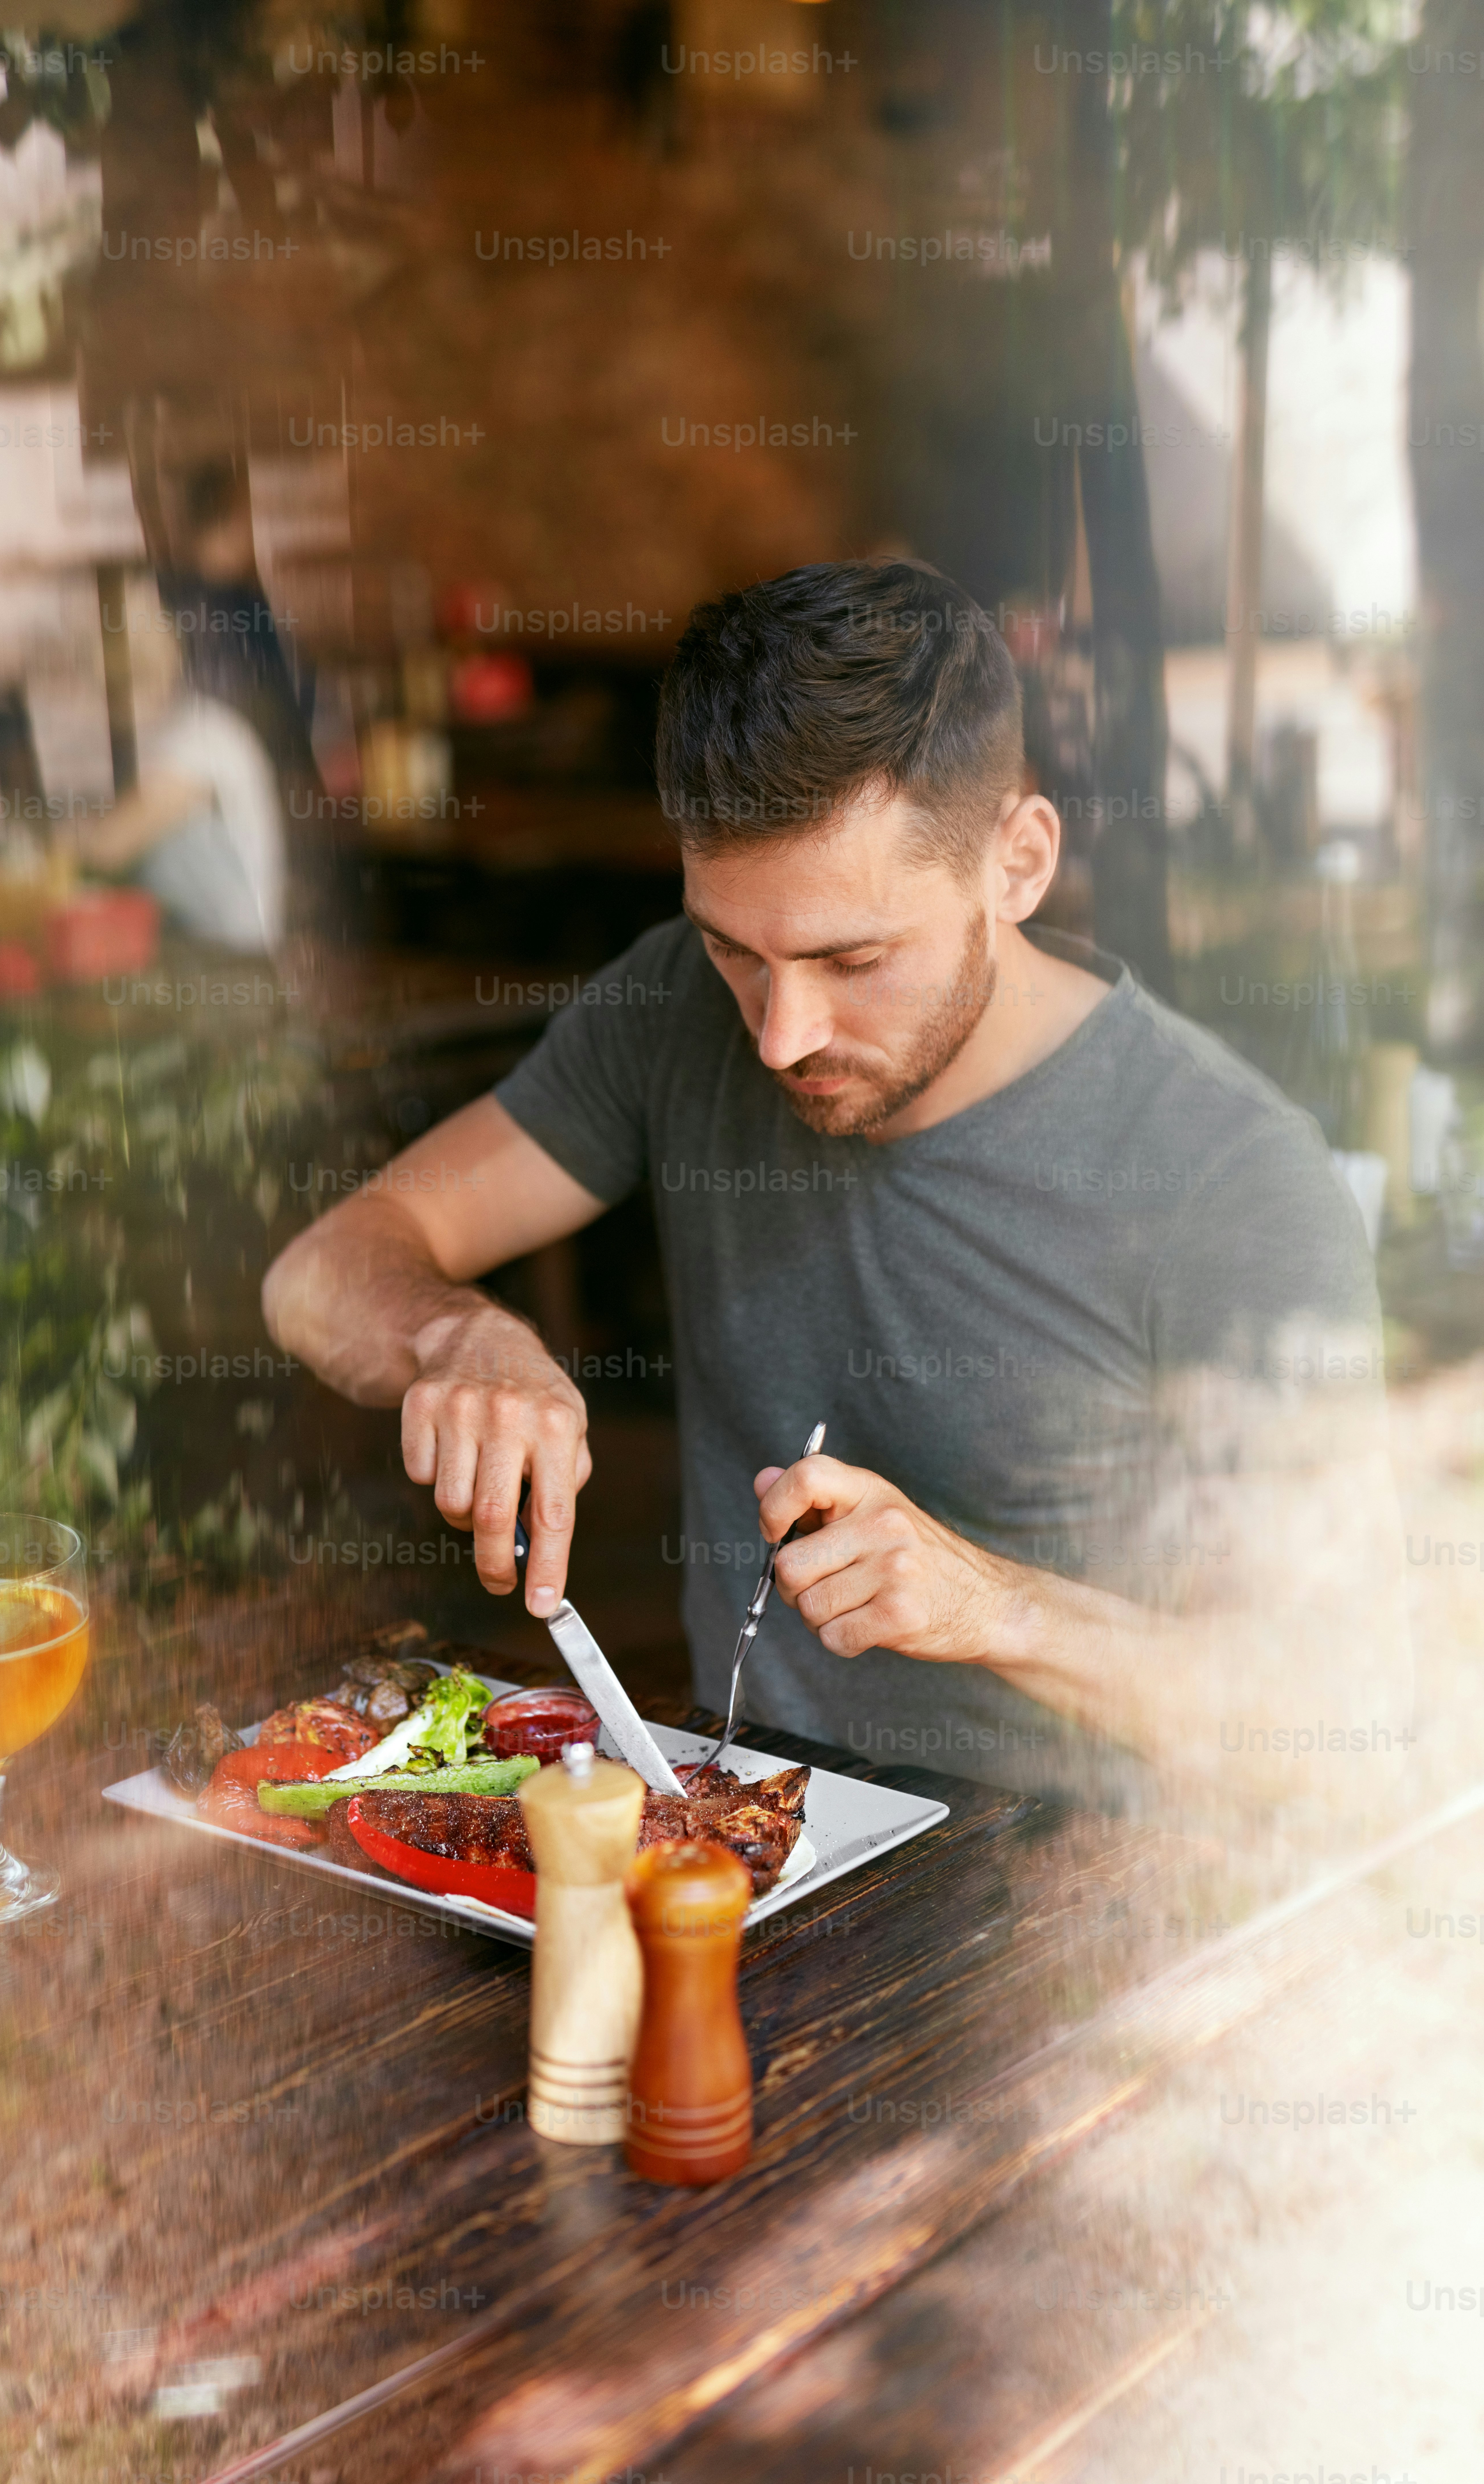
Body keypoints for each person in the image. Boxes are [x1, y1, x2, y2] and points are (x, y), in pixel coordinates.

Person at [262, 559, 1408, 1825]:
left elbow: (1337, 1705)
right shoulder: (674, 1011)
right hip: (740, 1840)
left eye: (851, 959)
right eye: (734, 948)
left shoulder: (1230, 1177)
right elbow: (316, 1275)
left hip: (1069, 1919)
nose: (779, 1034)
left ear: (1017, 863)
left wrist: (994, 1606)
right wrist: (458, 1332)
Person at [65, 610, 286, 954]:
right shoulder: (168, 736)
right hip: (195, 947)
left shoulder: (201, 736)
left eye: (106, 689)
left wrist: (34, 856)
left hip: (235, 956)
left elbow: (110, 845)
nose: (98, 706)